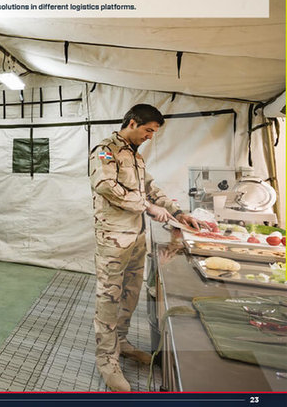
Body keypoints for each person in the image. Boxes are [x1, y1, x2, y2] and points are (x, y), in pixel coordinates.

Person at [89, 104, 206, 391]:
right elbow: (106, 186)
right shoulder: (105, 150)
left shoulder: (135, 156)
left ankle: (122, 342)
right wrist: (147, 207)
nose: (150, 136)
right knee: (109, 296)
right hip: (114, 238)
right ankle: (106, 360)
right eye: (148, 130)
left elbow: (150, 188)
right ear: (132, 123)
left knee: (130, 292)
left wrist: (178, 213)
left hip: (136, 237)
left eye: (154, 132)